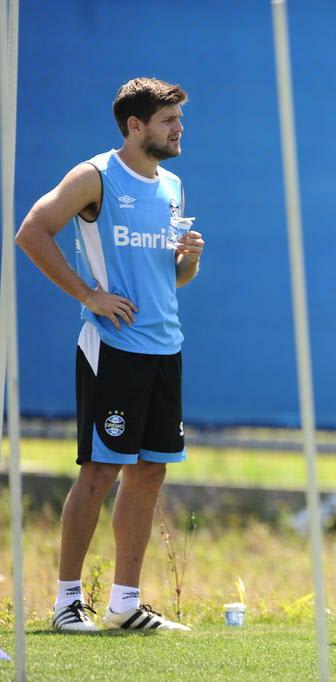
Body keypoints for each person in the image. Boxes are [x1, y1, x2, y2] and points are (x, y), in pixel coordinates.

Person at [16, 77, 203, 632]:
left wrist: (188, 259)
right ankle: (66, 603)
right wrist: (88, 295)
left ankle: (125, 603)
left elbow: (175, 279)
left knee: (149, 475)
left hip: (165, 347)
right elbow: (32, 232)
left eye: (179, 119)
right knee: (99, 473)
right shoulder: (95, 176)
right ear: (135, 126)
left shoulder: (172, 185)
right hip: (114, 347)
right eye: (168, 120)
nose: (178, 128)